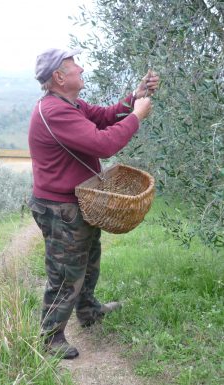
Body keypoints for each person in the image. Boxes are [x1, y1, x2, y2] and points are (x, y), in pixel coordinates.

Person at [28, 48, 159, 359]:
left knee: (88, 259)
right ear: (59, 77)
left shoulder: (68, 104)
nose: (82, 69)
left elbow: (102, 117)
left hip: (79, 201)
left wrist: (134, 97)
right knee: (65, 272)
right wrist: (138, 115)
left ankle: (88, 311)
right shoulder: (55, 112)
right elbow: (105, 143)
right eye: (76, 67)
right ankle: (51, 338)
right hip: (60, 208)